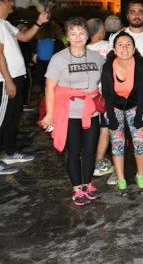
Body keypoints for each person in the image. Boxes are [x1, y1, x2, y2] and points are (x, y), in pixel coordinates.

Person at [38, 18, 105, 205]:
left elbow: (106, 80)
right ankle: (77, 188)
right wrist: (49, 114)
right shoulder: (58, 59)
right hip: (68, 113)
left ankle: (87, 183)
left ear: (87, 36)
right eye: (73, 33)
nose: (78, 37)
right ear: (67, 37)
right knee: (73, 150)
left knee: (90, 150)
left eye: (81, 33)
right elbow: (49, 87)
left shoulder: (97, 58)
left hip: (91, 112)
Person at [0, 0, 50, 175]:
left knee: (12, 119)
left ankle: (10, 152)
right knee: (2, 120)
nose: (12, 3)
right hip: (6, 80)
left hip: (16, 78)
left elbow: (25, 37)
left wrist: (39, 22)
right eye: (8, 0)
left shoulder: (5, 24)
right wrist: (8, 80)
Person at [101, 32, 143, 196]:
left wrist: (139, 118)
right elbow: (107, 95)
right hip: (114, 107)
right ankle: (121, 180)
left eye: (129, 44)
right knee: (118, 142)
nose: (125, 48)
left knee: (140, 141)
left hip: (135, 106)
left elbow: (142, 95)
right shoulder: (108, 67)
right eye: (120, 45)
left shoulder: (140, 65)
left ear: (134, 48)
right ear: (114, 49)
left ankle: (141, 176)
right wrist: (111, 119)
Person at [86, 18, 114, 179]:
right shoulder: (108, 45)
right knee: (105, 129)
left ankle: (87, 160)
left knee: (89, 129)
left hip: (88, 96)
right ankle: (99, 162)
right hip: (105, 95)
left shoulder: (82, 48)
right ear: (101, 30)